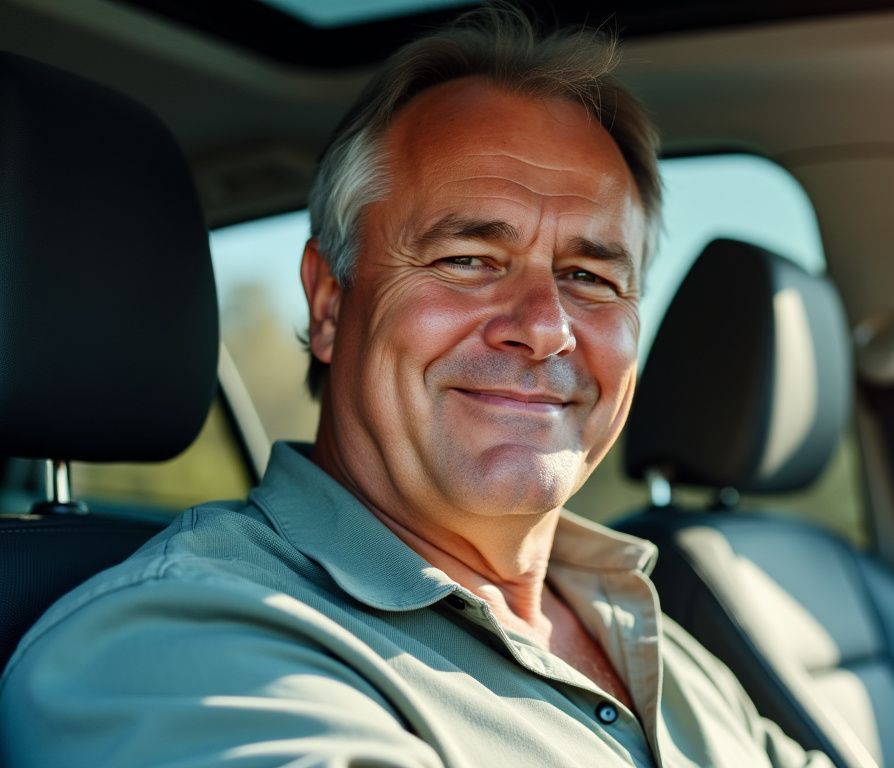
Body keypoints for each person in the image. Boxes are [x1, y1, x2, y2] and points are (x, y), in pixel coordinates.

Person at [0, 7, 831, 768]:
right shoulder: (177, 650)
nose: (545, 326)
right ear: (331, 305)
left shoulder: (647, 633)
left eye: (588, 275)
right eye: (467, 260)